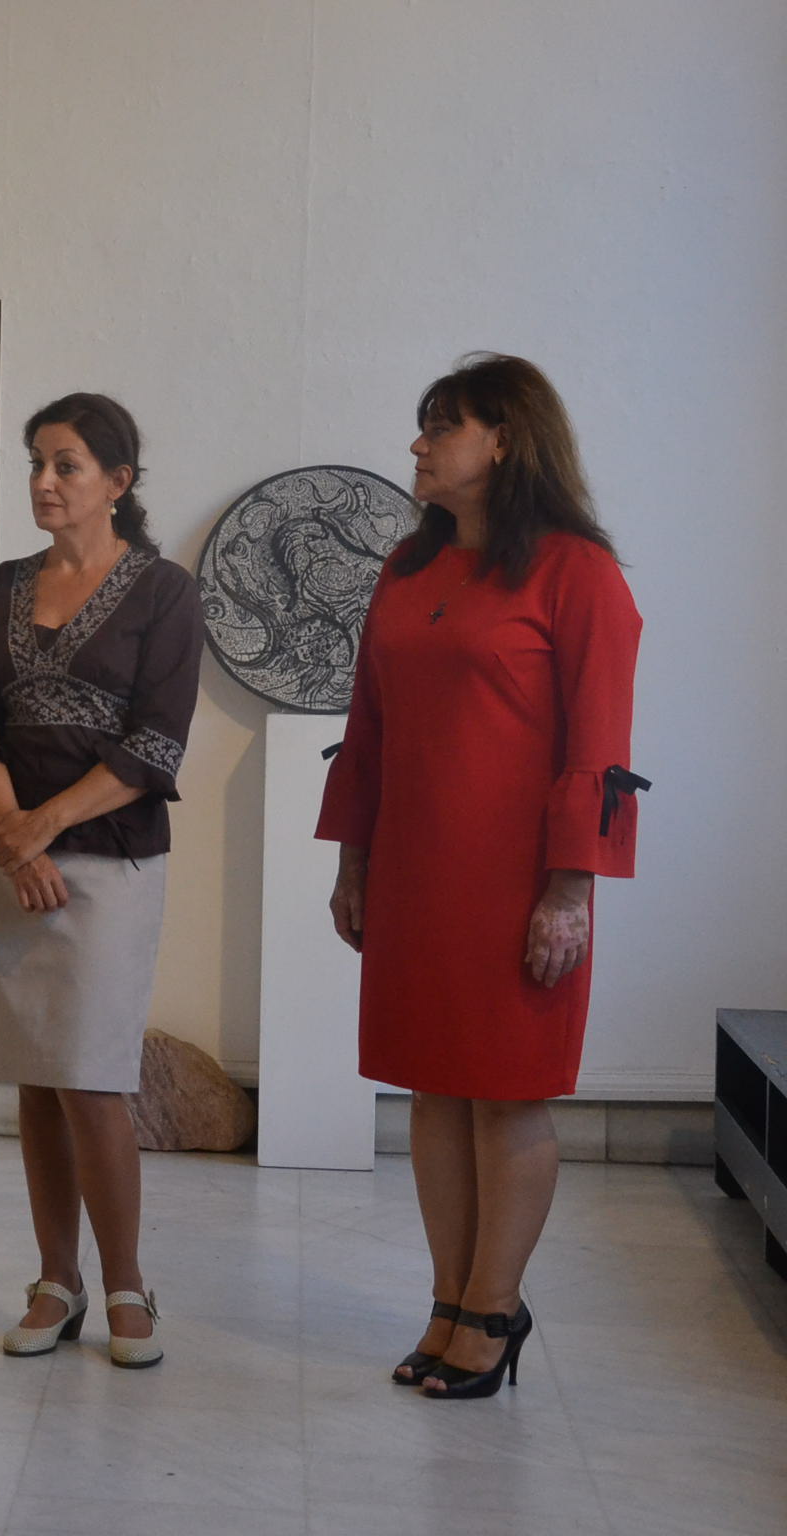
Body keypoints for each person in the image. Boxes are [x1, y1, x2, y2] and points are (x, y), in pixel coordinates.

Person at [319, 354, 641, 1399]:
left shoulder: (577, 572)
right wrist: (354, 861)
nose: (418, 445)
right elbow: (367, 728)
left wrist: (570, 892)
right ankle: (449, 1303)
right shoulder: (406, 569)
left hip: (517, 884)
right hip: (414, 872)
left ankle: (495, 1310)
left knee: (504, 1098)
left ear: (504, 439)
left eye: (441, 426)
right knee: (431, 1090)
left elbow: (600, 746)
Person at [0, 393, 204, 1369]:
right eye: (36, 464)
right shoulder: (0, 588)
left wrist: (40, 830)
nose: (44, 483)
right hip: (12, 862)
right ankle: (57, 1281)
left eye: (66, 465)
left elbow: (155, 744)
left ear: (117, 481)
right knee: (37, 1081)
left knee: (90, 1081)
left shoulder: (165, 593)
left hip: (109, 862)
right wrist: (15, 844)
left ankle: (128, 1282)